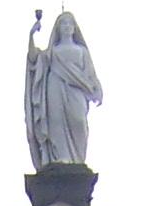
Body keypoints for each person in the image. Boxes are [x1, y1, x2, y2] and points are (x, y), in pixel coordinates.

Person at [24, 11, 102, 170]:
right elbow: (34, 59)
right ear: (58, 28)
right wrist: (31, 36)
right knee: (56, 121)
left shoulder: (82, 51)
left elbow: (90, 74)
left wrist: (97, 89)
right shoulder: (52, 52)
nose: (66, 26)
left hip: (76, 91)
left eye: (69, 23)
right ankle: (60, 157)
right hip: (55, 87)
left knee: (79, 121)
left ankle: (77, 160)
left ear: (74, 27)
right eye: (63, 23)